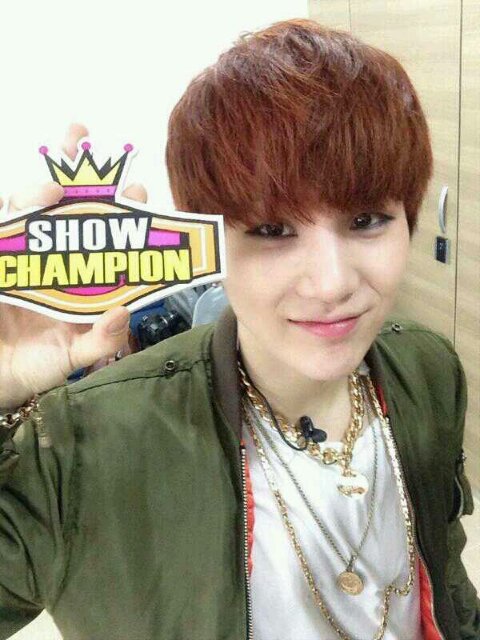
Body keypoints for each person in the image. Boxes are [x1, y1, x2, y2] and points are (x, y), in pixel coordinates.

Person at [0, 18, 478, 640]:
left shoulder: (427, 370)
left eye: (366, 220)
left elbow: (447, 580)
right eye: (273, 230)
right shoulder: (85, 446)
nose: (331, 283)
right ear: (208, 243)